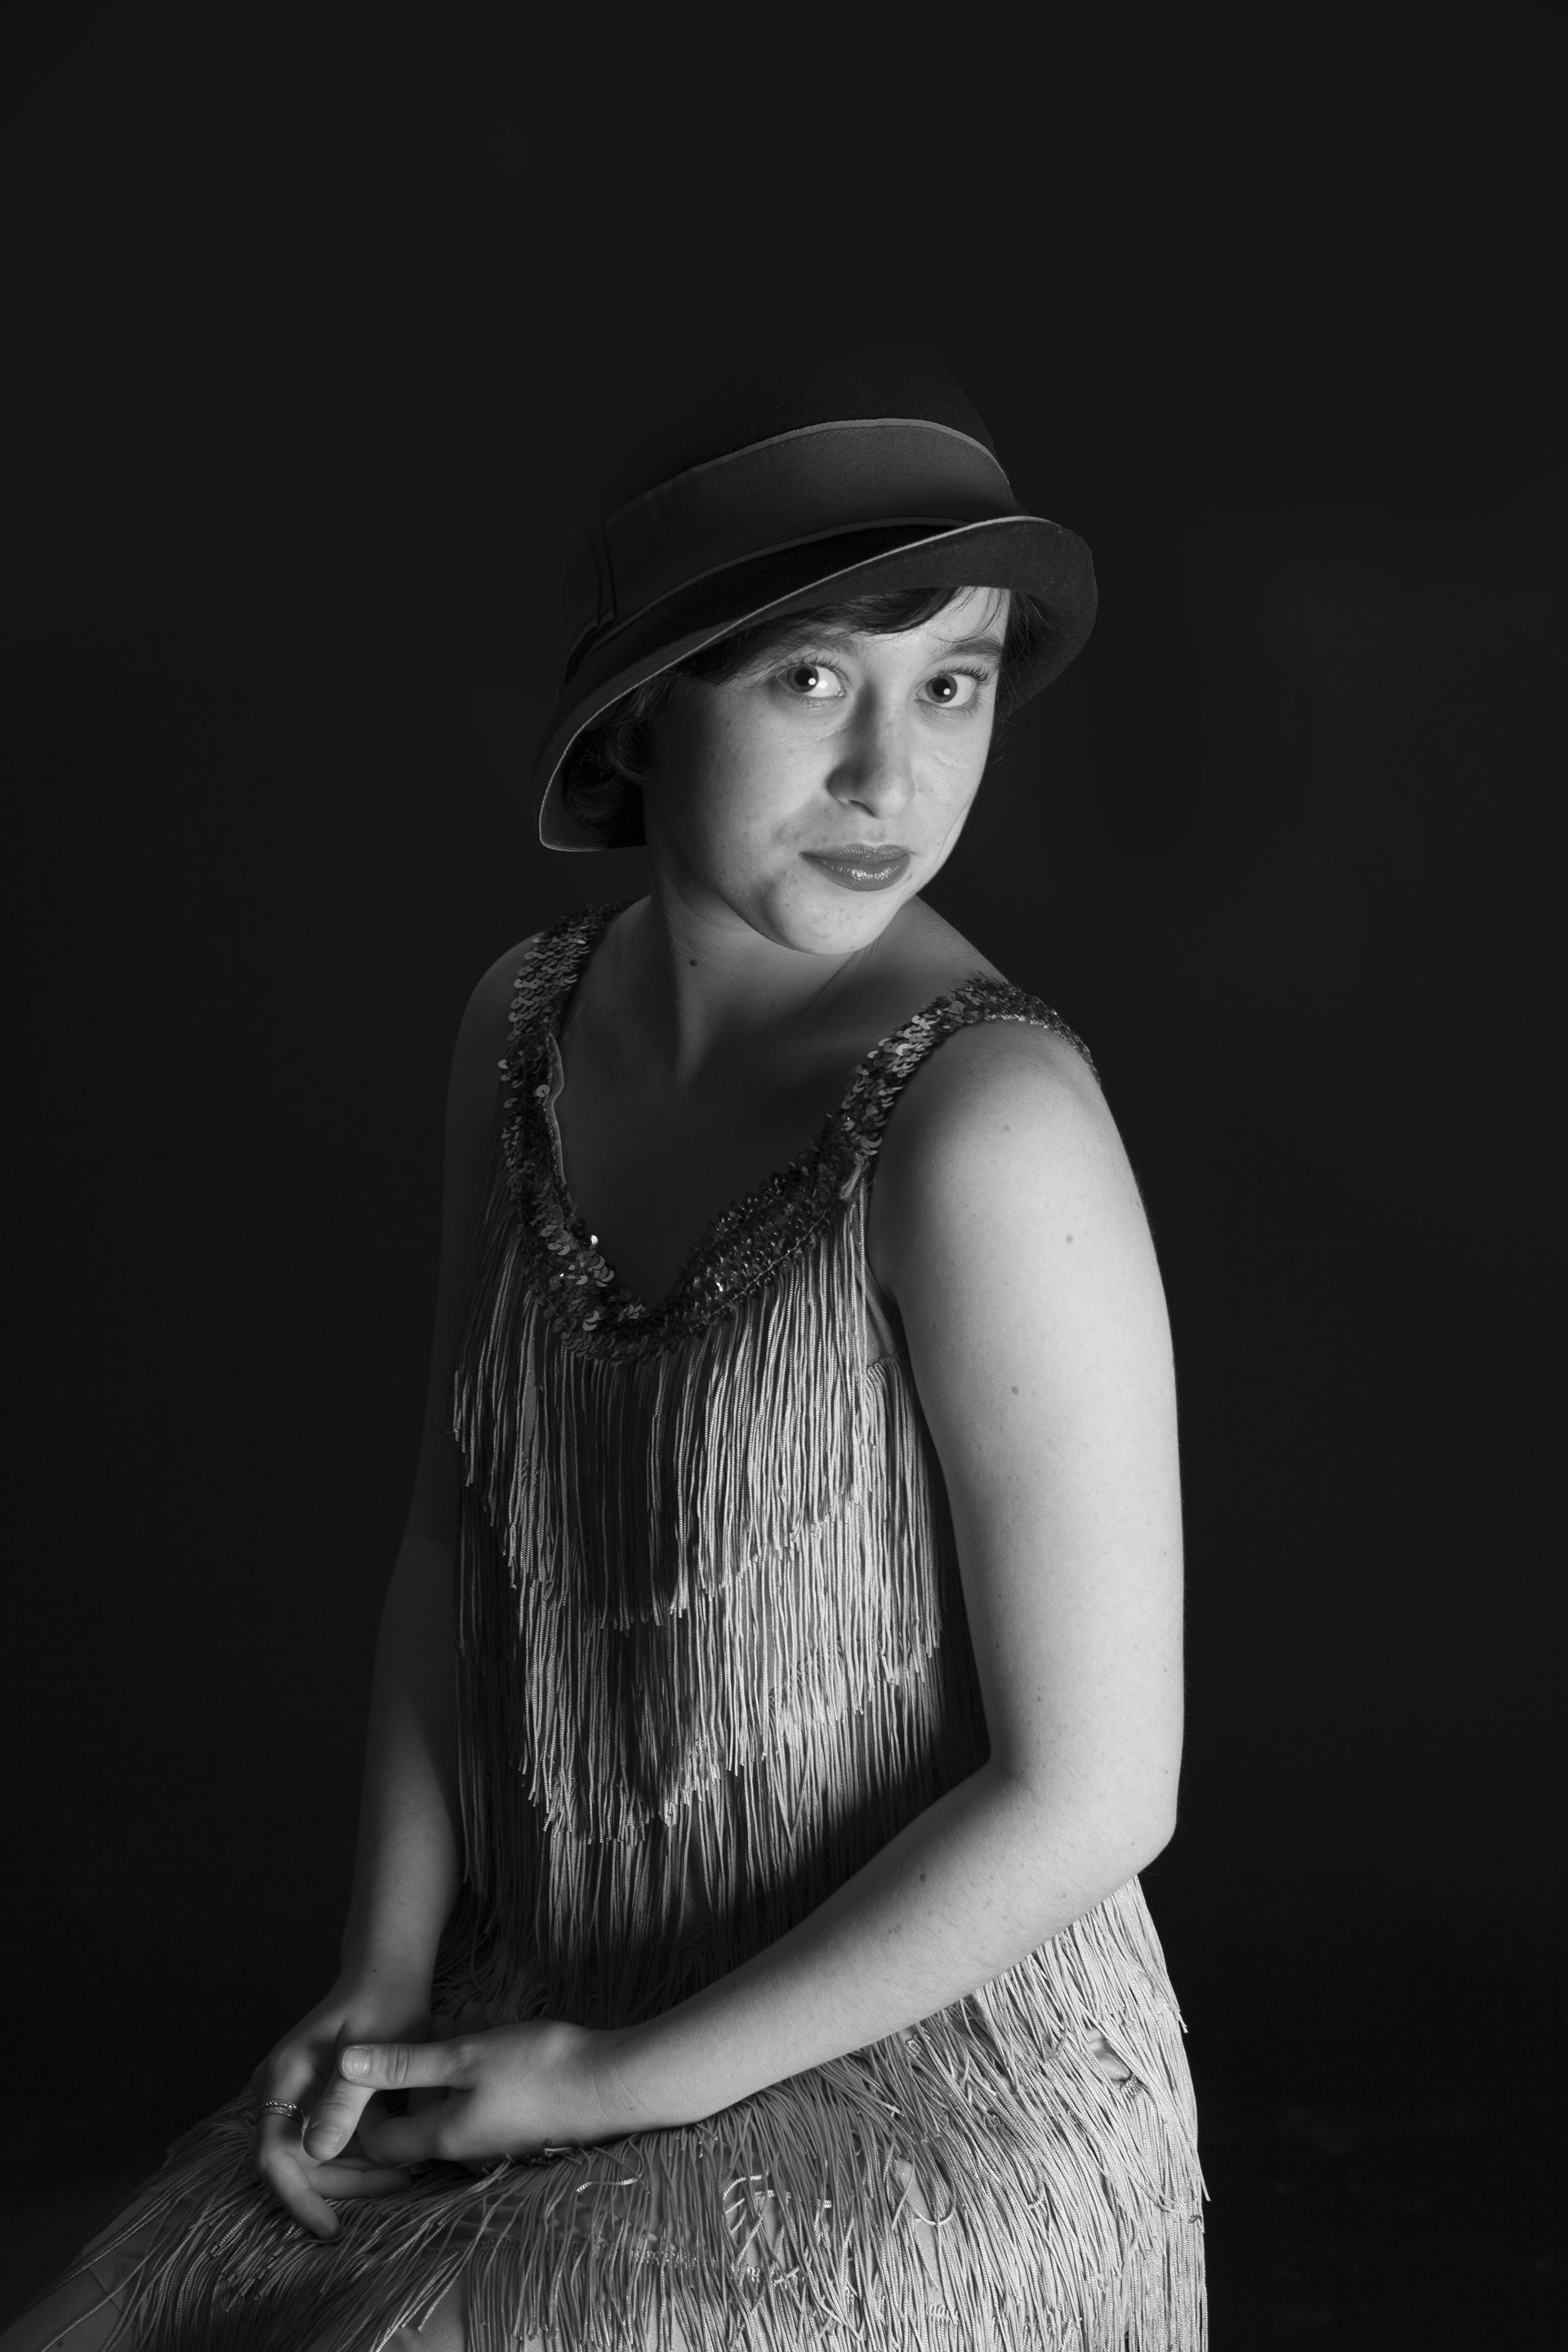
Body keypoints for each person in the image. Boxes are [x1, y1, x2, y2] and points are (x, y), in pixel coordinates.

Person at [3, 350, 1205, 2350]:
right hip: (548, 1993)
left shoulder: (991, 1127)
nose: (892, 783)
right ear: (648, 702)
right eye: (814, 680)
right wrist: (388, 1972)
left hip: (926, 2083)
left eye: (956, 684)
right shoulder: (521, 1028)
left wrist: (622, 2088)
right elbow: (448, 1536)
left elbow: (1097, 1796)